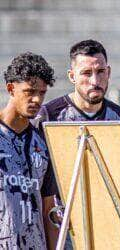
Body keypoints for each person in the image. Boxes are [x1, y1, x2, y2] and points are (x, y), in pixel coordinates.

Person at [32, 39, 120, 187]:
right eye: (86, 73)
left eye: (100, 72)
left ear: (108, 72)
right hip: (62, 209)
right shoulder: (48, 116)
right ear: (72, 76)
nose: (95, 81)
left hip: (108, 209)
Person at [0, 52, 58, 249]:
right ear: (11, 89)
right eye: (29, 91)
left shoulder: (43, 144)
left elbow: (48, 208)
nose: (36, 99)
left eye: (42, 93)